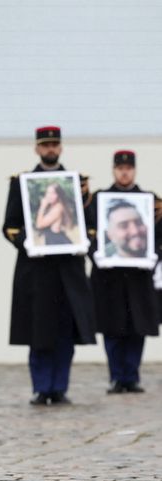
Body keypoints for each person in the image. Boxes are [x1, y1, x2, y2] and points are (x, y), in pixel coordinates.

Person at [3, 126, 96, 406]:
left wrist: (84, 242)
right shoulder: (22, 182)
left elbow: (89, 226)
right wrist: (28, 243)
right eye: (45, 145)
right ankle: (41, 387)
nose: (50, 149)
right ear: (36, 149)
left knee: (65, 332)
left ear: (61, 148)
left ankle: (60, 387)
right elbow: (9, 226)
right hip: (37, 271)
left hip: (68, 271)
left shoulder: (76, 183)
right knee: (39, 331)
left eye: (55, 145)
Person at [86, 151, 161, 394]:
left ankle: (132, 376)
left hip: (139, 277)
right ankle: (117, 376)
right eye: (120, 168)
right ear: (114, 170)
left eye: (128, 168)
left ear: (135, 170)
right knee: (112, 327)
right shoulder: (98, 200)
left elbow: (158, 237)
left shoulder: (151, 201)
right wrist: (96, 253)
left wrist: (155, 255)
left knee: (136, 328)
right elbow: (86, 231)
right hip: (109, 278)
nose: (124, 172)